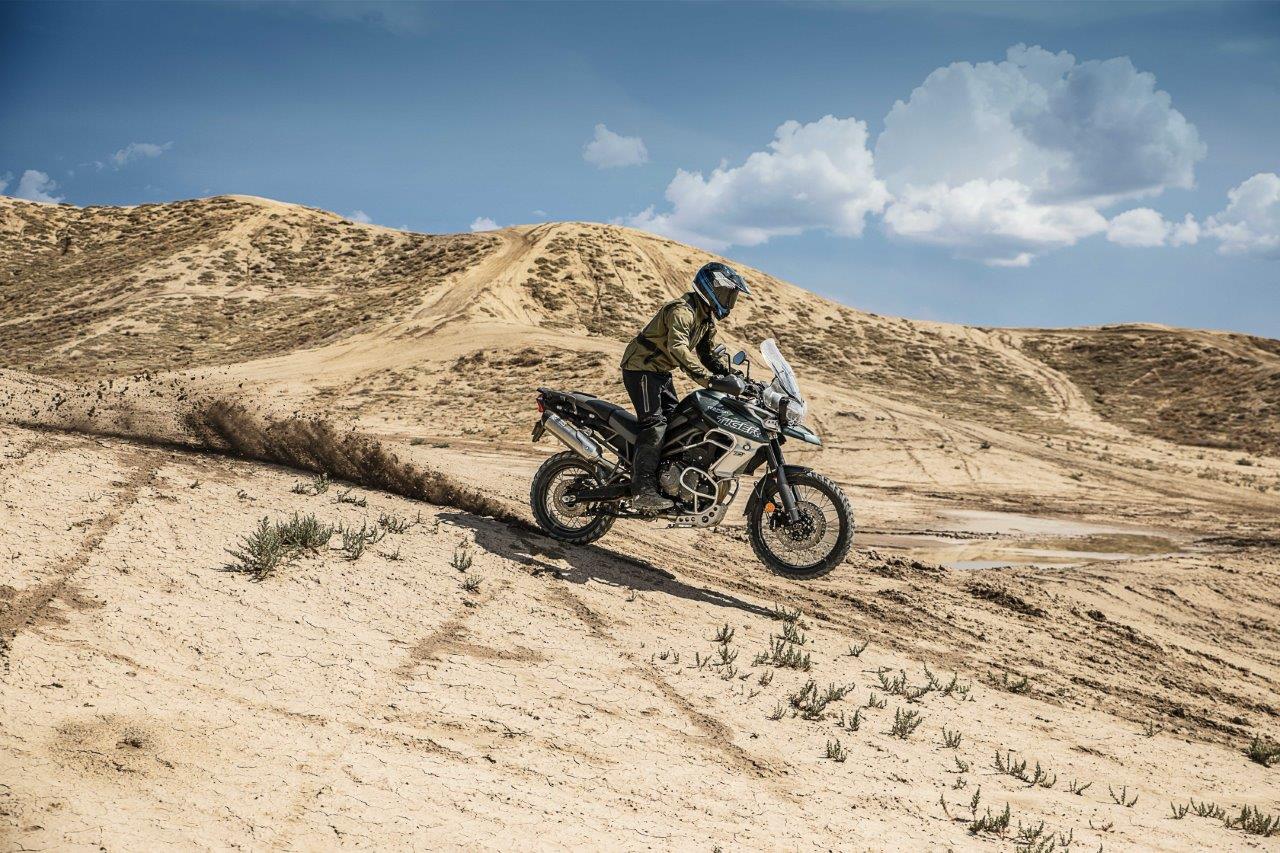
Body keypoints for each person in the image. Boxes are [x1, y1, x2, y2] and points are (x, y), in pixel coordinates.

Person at [619, 261, 750, 511]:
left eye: (731, 296)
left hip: (660, 373)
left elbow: (708, 355)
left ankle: (668, 478)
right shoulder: (682, 311)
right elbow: (677, 347)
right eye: (726, 294)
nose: (729, 301)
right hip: (641, 369)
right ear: (710, 288)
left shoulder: (705, 319)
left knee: (679, 423)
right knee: (655, 425)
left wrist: (735, 377)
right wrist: (707, 379)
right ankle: (643, 490)